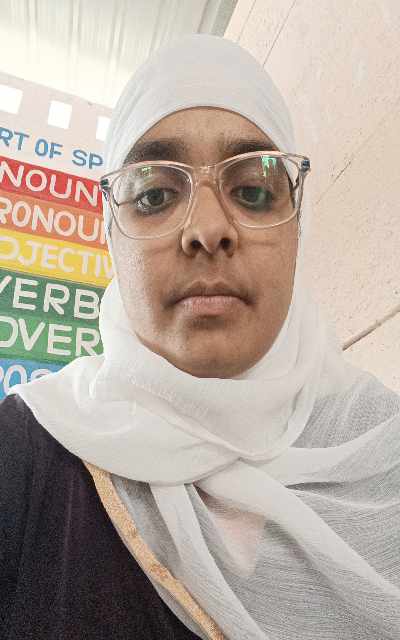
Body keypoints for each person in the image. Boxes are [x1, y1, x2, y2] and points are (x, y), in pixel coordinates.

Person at [1, 34, 400, 640]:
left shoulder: (382, 453)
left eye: (254, 189)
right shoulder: (25, 456)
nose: (208, 229)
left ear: (296, 225)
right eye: (155, 194)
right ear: (111, 230)